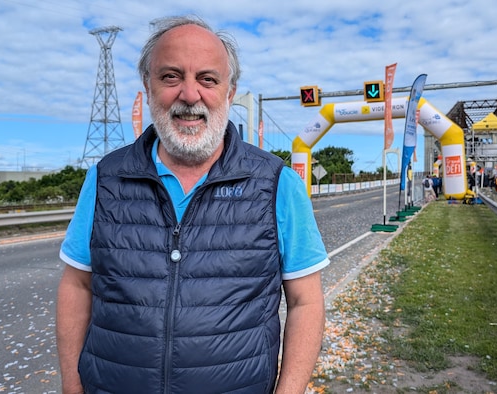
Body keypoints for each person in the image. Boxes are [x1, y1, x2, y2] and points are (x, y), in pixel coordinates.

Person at [56, 15, 329, 394]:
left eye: (207, 78)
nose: (189, 94)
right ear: (148, 87)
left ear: (230, 93)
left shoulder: (277, 183)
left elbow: (306, 302)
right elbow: (77, 285)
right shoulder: (104, 178)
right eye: (170, 76)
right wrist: (72, 387)